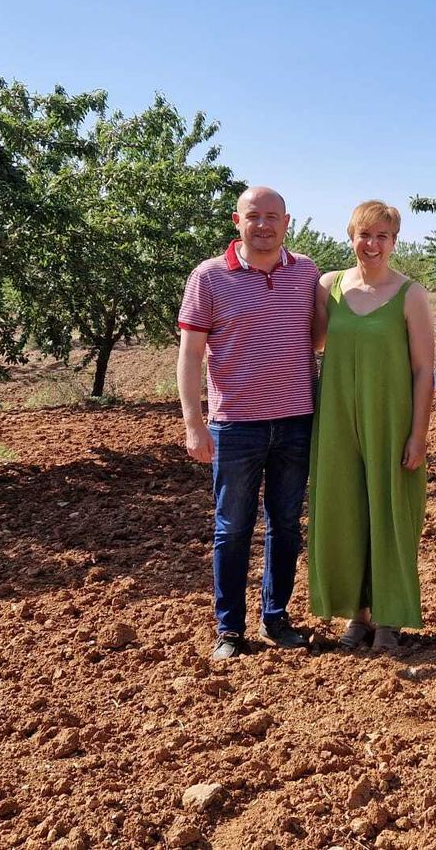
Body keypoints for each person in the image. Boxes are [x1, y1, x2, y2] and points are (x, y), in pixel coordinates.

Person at [177, 185, 320, 660]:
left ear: (287, 222)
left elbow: (317, 338)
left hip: (296, 420)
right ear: (237, 222)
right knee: (232, 528)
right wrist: (194, 423)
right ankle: (230, 629)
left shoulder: (306, 272)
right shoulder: (209, 277)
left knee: (286, 525)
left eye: (272, 216)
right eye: (253, 216)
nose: (263, 225)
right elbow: (190, 355)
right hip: (235, 425)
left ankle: (275, 617)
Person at [307, 200, 434, 652]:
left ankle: (389, 618)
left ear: (394, 241)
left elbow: (424, 369)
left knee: (391, 512)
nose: (372, 244)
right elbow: (313, 342)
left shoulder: (410, 294)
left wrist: (418, 434)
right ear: (351, 237)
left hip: (391, 419)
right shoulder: (329, 287)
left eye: (382, 236)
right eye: (364, 235)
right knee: (344, 511)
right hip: (337, 419)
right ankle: (356, 616)